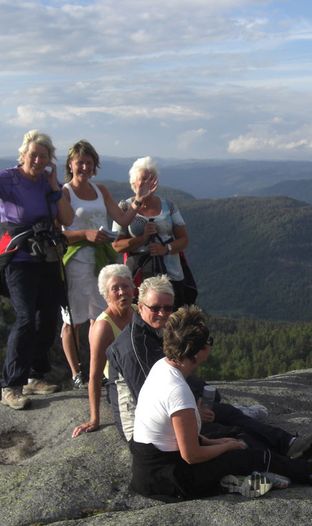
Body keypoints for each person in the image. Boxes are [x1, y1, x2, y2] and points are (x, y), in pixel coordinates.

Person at [130, 305, 312, 500]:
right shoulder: (177, 391)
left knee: (238, 438)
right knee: (247, 454)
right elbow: (191, 455)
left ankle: (245, 478)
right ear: (198, 351)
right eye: (208, 341)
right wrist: (227, 447)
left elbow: (176, 437)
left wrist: (218, 441)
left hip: (152, 469)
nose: (210, 345)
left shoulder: (163, 367)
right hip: (169, 480)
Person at [106, 275, 312, 461]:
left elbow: (176, 372)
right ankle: (282, 460)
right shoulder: (133, 347)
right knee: (226, 433)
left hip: (167, 411)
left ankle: (289, 443)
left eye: (168, 307)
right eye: (155, 308)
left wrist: (201, 398)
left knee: (226, 412)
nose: (163, 313)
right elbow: (148, 397)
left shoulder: (152, 331)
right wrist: (193, 412)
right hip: (145, 433)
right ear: (140, 305)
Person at [60, 140, 157, 389]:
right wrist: (86, 234)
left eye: (89, 162)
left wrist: (138, 199)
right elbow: (59, 233)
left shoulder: (100, 190)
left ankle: (98, 370)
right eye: (79, 162)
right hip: (75, 261)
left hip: (102, 262)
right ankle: (76, 372)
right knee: (73, 320)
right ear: (70, 164)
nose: (84, 166)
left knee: (99, 316)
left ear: (94, 166)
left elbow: (122, 218)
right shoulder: (64, 193)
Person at [0, 130, 74, 410]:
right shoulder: (8, 178)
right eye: (33, 154)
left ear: (49, 160)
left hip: (46, 257)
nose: (37, 159)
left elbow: (66, 218)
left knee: (48, 318)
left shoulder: (47, 183)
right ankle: (11, 385)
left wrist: (55, 185)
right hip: (18, 257)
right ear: (23, 154)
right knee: (26, 318)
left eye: (43, 156)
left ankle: (35, 375)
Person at [112, 156, 194, 308]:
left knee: (171, 318)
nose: (147, 183)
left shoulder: (169, 206)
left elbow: (184, 240)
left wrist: (165, 249)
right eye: (143, 179)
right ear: (133, 183)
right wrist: (142, 239)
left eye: (151, 178)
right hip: (138, 277)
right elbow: (116, 245)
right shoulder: (124, 207)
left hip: (171, 275)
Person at [72, 264, 136, 437]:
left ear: (133, 288)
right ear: (106, 295)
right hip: (120, 384)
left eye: (125, 286)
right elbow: (94, 375)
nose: (122, 292)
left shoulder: (139, 312)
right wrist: (95, 418)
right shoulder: (103, 327)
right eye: (115, 288)